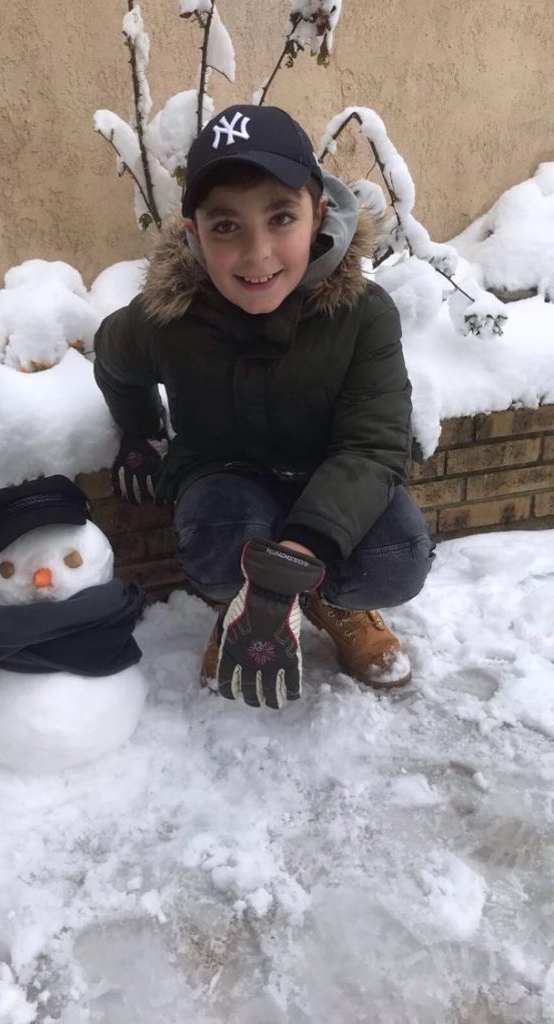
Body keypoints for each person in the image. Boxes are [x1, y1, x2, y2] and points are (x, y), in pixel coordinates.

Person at [94, 104, 435, 710]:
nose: (258, 254)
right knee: (217, 540)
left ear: (317, 215)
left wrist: (301, 556)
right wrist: (142, 431)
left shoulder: (362, 313)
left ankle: (324, 602)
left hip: (328, 475)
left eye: (281, 218)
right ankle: (240, 607)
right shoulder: (165, 317)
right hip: (227, 480)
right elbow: (115, 362)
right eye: (227, 226)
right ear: (195, 233)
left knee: (398, 556)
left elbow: (374, 444)